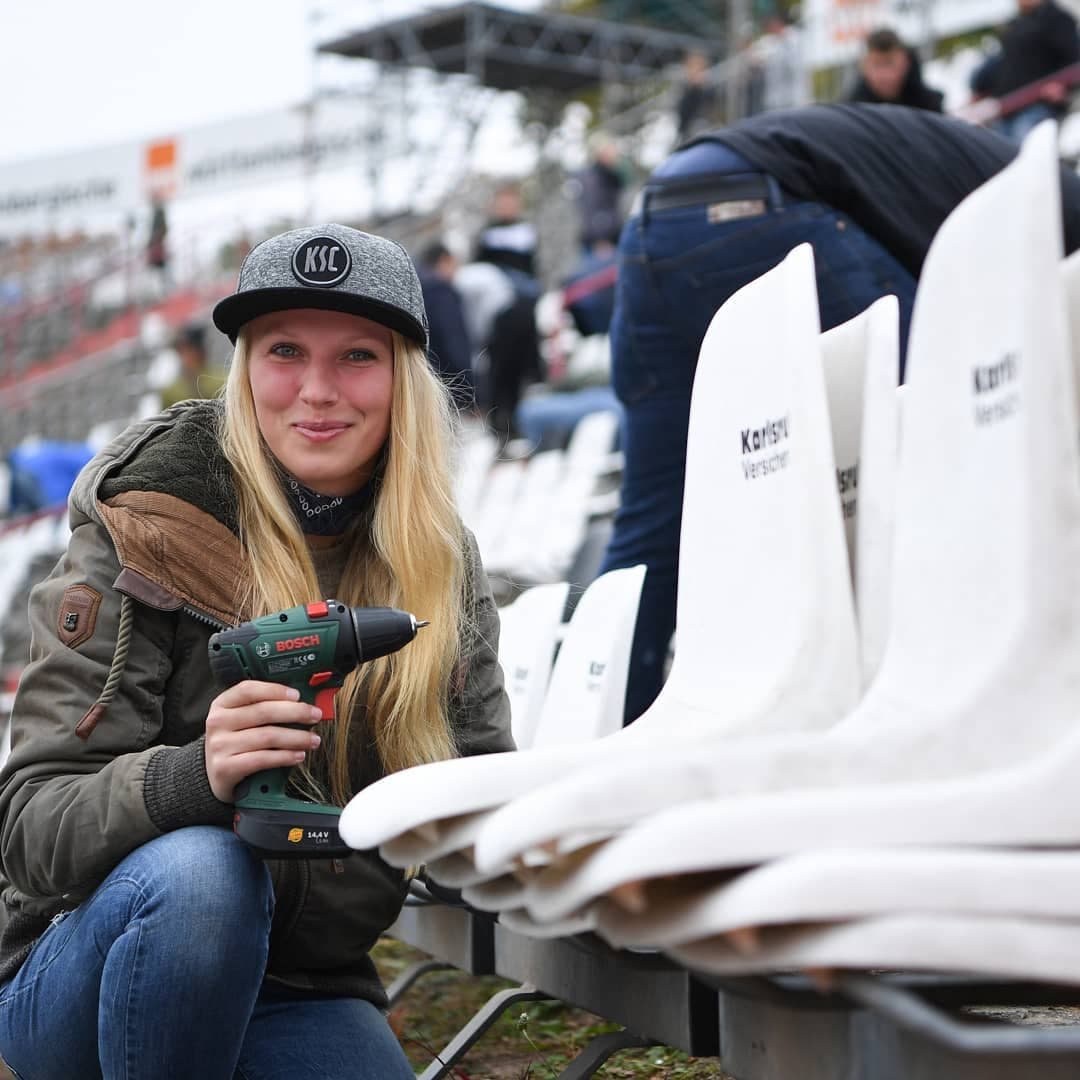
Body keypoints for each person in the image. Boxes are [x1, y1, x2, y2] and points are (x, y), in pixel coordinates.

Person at [0, 223, 513, 1078]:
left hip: (301, 979)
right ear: (244, 368)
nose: (317, 390)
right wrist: (195, 775)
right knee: (205, 879)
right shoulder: (146, 526)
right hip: (84, 958)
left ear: (403, 379)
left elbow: (484, 799)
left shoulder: (438, 565)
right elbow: (30, 828)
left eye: (357, 356)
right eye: (285, 351)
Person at [600, 103, 1080, 725]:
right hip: (752, 202)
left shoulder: (999, 180)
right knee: (940, 432)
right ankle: (952, 699)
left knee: (650, 528)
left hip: (653, 225)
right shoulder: (1055, 206)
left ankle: (594, 736)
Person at [970, 0, 1080, 141]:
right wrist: (980, 89)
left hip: (1037, 106)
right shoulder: (1017, 23)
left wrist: (1063, 86)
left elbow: (1073, 59)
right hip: (1008, 107)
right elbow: (1006, 65)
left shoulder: (1057, 18)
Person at [416, 241, 474, 409]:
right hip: (446, 385)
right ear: (444, 260)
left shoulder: (415, 287)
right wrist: (470, 389)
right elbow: (454, 341)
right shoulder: (441, 291)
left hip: (421, 377)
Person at [848, 27, 945, 111]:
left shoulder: (930, 107)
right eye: (877, 64)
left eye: (890, 63)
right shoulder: (852, 112)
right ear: (864, 67)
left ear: (906, 63)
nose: (885, 75)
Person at [160, 321, 227, 408]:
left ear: (200, 350)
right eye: (181, 350)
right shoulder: (170, 392)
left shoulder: (222, 381)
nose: (185, 356)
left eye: (189, 349)